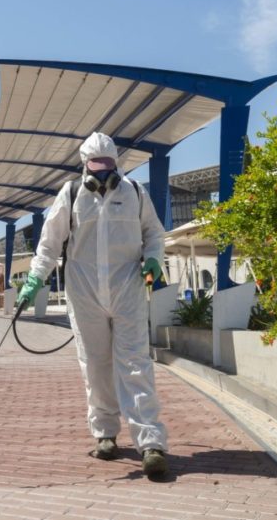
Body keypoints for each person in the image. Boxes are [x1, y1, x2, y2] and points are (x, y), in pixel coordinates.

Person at [16, 132, 169, 476]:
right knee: (95, 365)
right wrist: (34, 280)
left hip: (126, 289)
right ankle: (105, 435)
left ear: (117, 165)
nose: (102, 176)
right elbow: (49, 243)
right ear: (84, 166)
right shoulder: (70, 195)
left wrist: (154, 258)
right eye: (96, 168)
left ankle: (152, 443)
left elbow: (154, 234)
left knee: (135, 363)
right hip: (84, 293)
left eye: (108, 168)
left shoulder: (135, 194)